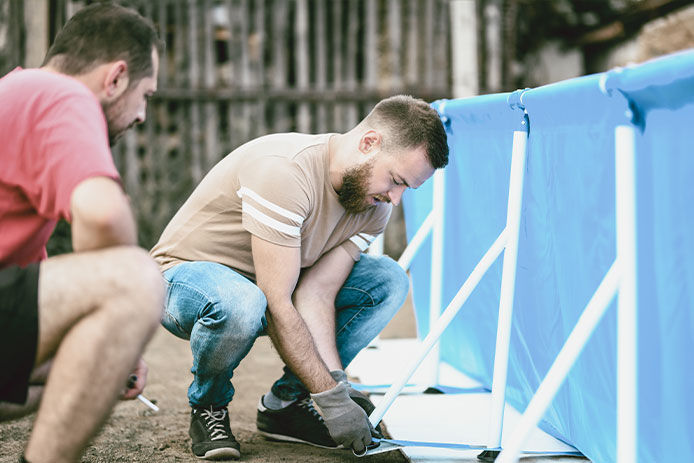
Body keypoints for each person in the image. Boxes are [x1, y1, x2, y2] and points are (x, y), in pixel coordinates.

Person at [151, 95, 449, 460]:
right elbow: (276, 302)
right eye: (396, 180)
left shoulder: (373, 205)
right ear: (369, 143)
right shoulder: (286, 172)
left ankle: (286, 405)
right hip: (183, 280)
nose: (396, 199)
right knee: (245, 302)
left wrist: (334, 387)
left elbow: (317, 294)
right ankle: (208, 405)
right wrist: (334, 404)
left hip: (267, 289)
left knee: (388, 280)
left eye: (407, 189)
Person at [0, 4, 165, 463]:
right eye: (145, 94)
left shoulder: (16, 92)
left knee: (86, 369)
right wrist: (121, 303)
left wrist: (111, 353)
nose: (142, 115)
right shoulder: (59, 94)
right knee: (134, 277)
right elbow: (103, 219)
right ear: (114, 78)